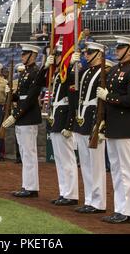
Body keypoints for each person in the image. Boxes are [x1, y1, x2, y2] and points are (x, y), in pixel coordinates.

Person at [97, 36, 130, 224]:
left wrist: (109, 97)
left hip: (125, 126)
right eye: (117, 48)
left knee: (127, 170)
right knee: (116, 169)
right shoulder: (115, 70)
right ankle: (119, 209)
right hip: (113, 126)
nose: (116, 51)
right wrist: (103, 122)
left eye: (120, 48)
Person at [70, 42, 107, 214]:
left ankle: (98, 202)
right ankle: (89, 199)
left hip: (94, 119)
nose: (86, 55)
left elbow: (103, 102)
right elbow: (72, 88)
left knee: (96, 164)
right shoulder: (86, 72)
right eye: (85, 52)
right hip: (82, 119)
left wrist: (101, 125)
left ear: (99, 54)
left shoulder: (105, 71)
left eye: (90, 52)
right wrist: (72, 66)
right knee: (85, 163)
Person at [2, 44, 41, 198]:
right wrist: (11, 94)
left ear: (33, 55)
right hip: (23, 115)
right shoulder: (25, 72)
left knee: (29, 153)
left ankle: (31, 187)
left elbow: (31, 99)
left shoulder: (35, 72)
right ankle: (27, 184)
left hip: (28, 115)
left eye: (25, 54)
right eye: (22, 54)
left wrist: (15, 114)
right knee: (25, 153)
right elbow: (21, 95)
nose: (22, 56)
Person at [44, 42, 79, 206]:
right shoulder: (58, 74)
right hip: (55, 118)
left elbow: (73, 102)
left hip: (63, 119)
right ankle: (64, 191)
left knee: (67, 159)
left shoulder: (70, 74)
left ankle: (71, 194)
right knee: (59, 159)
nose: (56, 58)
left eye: (58, 55)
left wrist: (69, 125)